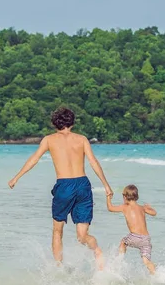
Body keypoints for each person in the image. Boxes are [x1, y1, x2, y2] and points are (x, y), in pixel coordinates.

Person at [8, 107, 113, 269]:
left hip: (64, 186)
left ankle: (58, 268)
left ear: (54, 123)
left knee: (58, 231)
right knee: (82, 236)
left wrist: (17, 177)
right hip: (83, 185)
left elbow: (34, 159)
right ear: (72, 122)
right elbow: (93, 162)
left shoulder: (49, 140)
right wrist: (106, 185)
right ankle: (97, 250)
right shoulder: (82, 139)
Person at [106, 184, 157, 274]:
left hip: (135, 237)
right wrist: (148, 207)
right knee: (146, 261)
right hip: (146, 239)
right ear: (136, 197)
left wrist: (108, 197)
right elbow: (154, 213)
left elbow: (110, 208)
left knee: (123, 242)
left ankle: (118, 262)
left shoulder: (124, 207)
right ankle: (157, 275)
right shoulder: (142, 208)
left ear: (125, 197)